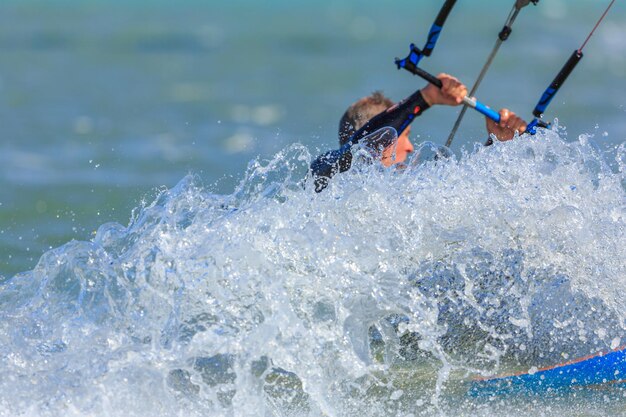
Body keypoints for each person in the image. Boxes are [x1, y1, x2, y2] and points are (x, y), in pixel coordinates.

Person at [337, 73, 527, 167]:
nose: (410, 147)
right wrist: (426, 98)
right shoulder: (328, 175)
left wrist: (496, 143)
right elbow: (357, 148)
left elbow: (462, 194)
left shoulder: (404, 188)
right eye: (404, 134)